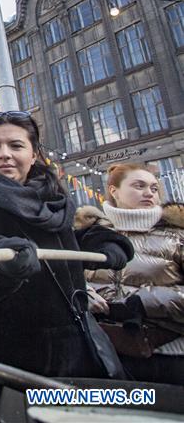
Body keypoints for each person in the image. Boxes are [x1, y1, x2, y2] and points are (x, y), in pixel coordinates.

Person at [0, 111, 134, 422]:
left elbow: (61, 241)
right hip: (12, 361)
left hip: (82, 350)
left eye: (15, 145)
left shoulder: (51, 196)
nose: (4, 154)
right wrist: (1, 259)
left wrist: (98, 239)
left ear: (33, 153)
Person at [75, 163, 183, 384]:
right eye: (139, 185)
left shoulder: (176, 237)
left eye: (154, 188)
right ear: (114, 190)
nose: (149, 193)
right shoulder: (89, 237)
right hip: (104, 355)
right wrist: (84, 293)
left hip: (171, 355)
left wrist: (146, 300)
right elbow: (68, 280)